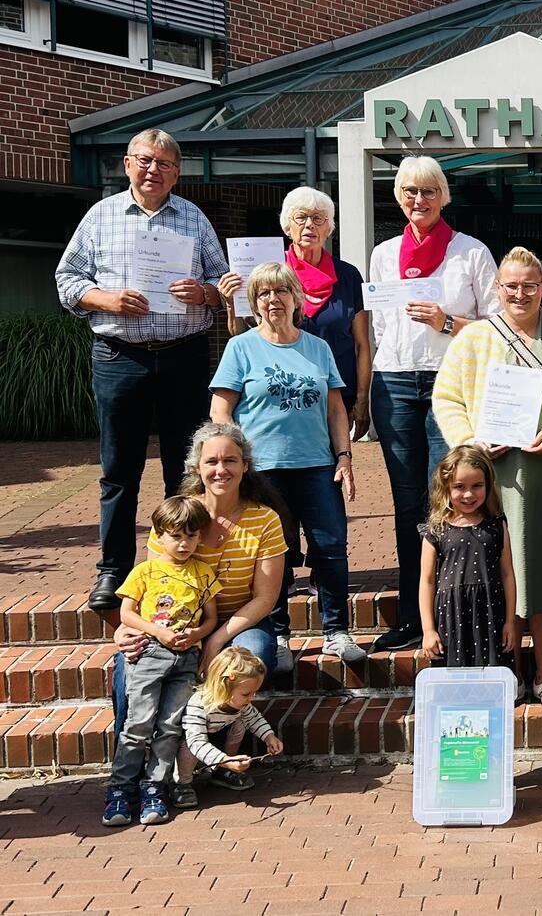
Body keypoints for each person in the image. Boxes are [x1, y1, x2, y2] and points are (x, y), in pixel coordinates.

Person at [55, 128, 229, 613]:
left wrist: (206, 293)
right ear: (128, 164)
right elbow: (67, 279)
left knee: (187, 467)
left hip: (183, 351)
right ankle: (114, 569)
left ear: (177, 172)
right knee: (119, 469)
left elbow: (222, 281)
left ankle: (191, 562)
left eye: (165, 164)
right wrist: (104, 298)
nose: (154, 170)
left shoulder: (193, 218)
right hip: (119, 356)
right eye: (146, 161)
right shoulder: (100, 216)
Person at [432, 247, 542, 711]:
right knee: (497, 573)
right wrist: (472, 442)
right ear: (497, 289)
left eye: (530, 285)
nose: (520, 293)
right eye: (511, 286)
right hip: (491, 478)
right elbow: (447, 397)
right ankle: (508, 671)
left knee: (541, 567)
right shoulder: (475, 337)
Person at [369, 155, 500, 654]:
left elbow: (497, 328)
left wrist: (447, 323)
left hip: (452, 384)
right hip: (396, 383)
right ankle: (412, 614)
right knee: (407, 505)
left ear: (444, 196)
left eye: (427, 191)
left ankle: (458, 610)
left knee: (449, 498)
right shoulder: (383, 254)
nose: (417, 200)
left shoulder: (470, 253)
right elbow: (379, 326)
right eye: (408, 191)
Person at [210, 262, 362, 665]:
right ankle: (278, 635)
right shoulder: (240, 347)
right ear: (254, 303)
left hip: (316, 464)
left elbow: (335, 410)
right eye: (263, 293)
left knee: (331, 546)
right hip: (263, 470)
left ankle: (336, 631)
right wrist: (237, 461)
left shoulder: (317, 347)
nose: (272, 299)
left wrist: (344, 456)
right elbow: (221, 411)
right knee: (276, 550)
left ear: (297, 298)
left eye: (281, 291)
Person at [112, 422, 288, 727]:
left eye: (230, 460)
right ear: (196, 467)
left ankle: (214, 757)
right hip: (178, 621)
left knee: (251, 654)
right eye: (212, 461)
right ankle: (130, 760)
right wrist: (125, 630)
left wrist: (215, 639)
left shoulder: (265, 519)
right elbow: (152, 583)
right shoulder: (176, 515)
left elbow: (265, 598)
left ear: (245, 466)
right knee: (130, 661)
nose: (221, 470)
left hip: (240, 620)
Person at [102, 497, 220, 827]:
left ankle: (156, 786)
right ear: (160, 534)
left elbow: (211, 619)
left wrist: (196, 634)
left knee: (170, 724)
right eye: (176, 536)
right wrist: (158, 631)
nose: (184, 544)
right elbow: (126, 613)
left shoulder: (203, 573)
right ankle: (121, 789)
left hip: (185, 658)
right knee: (138, 724)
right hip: (149, 654)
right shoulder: (145, 572)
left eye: (192, 536)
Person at [219, 186, 371, 436]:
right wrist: (230, 302)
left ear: (329, 227)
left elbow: (362, 344)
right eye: (301, 217)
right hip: (280, 396)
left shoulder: (349, 276)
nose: (309, 225)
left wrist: (362, 400)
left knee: (336, 469)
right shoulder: (270, 275)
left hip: (336, 397)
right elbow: (241, 336)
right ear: (287, 226)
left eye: (318, 218)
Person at [417, 445, 521, 668]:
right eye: (459, 487)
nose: (468, 494)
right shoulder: (435, 530)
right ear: (446, 487)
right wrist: (428, 629)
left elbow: (507, 574)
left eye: (477, 486)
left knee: (491, 675)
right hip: (450, 616)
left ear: (488, 485)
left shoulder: (496, 525)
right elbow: (426, 582)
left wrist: (510, 621)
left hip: (490, 614)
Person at [178, 647, 284, 796]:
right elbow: (196, 742)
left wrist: (269, 737)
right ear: (224, 687)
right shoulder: (199, 704)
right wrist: (224, 759)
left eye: (254, 692)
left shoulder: (241, 703)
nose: (251, 698)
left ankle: (223, 770)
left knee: (241, 724)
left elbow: (254, 718)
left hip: (217, 740)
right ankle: (182, 783)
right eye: (246, 694)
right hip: (194, 743)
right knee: (188, 747)